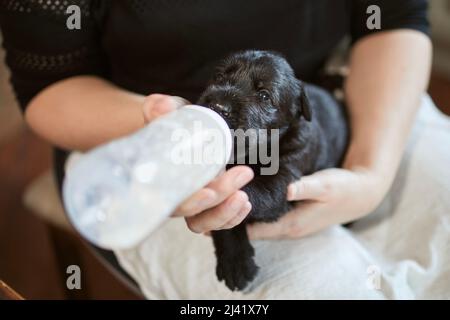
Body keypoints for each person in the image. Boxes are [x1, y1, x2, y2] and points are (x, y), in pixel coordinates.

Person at [0, 0, 431, 284]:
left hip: (365, 95)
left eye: (258, 95)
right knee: (317, 286)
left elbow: (396, 15)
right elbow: (50, 83)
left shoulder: (302, 120)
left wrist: (372, 171)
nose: (227, 97)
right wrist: (162, 130)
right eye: (224, 78)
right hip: (127, 130)